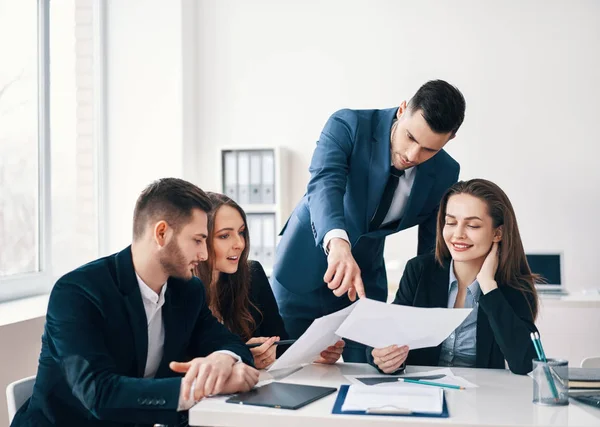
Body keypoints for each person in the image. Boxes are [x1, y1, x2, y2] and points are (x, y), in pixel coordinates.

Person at [11, 178, 259, 427]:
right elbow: (98, 394)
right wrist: (197, 389)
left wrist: (223, 359)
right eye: (196, 240)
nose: (204, 254)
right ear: (161, 233)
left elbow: (228, 342)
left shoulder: (187, 290)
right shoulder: (78, 292)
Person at [272, 79, 466, 362]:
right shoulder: (348, 124)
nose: (413, 156)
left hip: (364, 281)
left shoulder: (447, 172)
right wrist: (337, 244)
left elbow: (430, 250)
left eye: (429, 150)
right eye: (411, 138)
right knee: (291, 368)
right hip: (304, 266)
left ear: (449, 140)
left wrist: (421, 317)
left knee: (369, 371)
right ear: (402, 110)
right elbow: (325, 183)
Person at [368, 179, 539, 375]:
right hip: (423, 393)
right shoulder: (420, 270)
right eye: (450, 222)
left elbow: (525, 362)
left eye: (472, 226)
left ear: (497, 233)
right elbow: (386, 334)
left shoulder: (513, 286)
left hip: (481, 397)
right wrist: (384, 358)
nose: (457, 234)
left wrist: (489, 287)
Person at [195, 192, 344, 369]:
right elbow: (180, 362)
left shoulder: (252, 276)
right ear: (200, 239)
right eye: (224, 236)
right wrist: (243, 357)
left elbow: (280, 345)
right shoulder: (178, 290)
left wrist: (313, 354)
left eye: (241, 233)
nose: (239, 244)